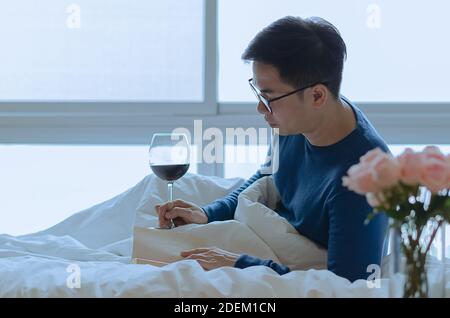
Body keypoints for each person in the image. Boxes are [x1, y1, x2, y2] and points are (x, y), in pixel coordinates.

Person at [156, 16, 388, 282]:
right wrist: (208, 213)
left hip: (287, 262)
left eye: (268, 98)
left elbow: (348, 284)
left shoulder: (363, 180)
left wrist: (241, 264)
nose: (260, 109)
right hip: (269, 233)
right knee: (152, 199)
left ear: (317, 96)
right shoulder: (302, 121)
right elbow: (269, 173)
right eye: (258, 94)